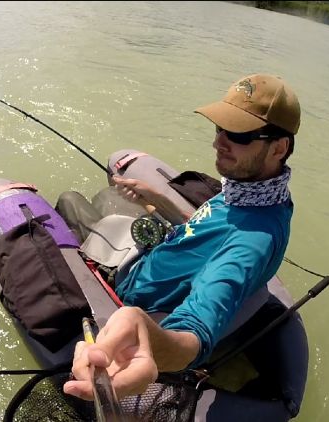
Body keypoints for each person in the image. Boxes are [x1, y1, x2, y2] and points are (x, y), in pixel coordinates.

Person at [62, 73, 301, 401]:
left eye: (237, 134)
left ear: (279, 148)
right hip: (148, 256)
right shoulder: (251, 191)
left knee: (69, 201)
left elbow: (197, 328)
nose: (218, 142)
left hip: (131, 290)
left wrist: (146, 336)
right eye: (220, 128)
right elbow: (207, 228)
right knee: (107, 199)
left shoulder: (252, 242)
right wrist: (155, 199)